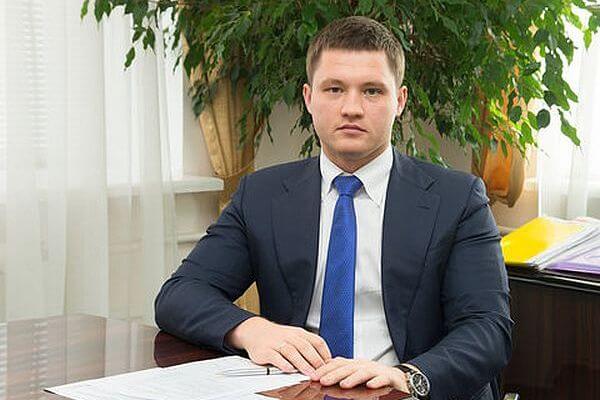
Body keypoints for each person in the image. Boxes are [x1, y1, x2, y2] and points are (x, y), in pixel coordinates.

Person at [155, 16, 512, 400]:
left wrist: (405, 377)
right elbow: (180, 294)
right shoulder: (262, 195)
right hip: (300, 390)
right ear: (309, 98)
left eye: (372, 91)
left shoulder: (457, 199)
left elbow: (487, 328)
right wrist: (253, 330)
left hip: (403, 390)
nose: (351, 108)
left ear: (400, 101)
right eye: (334, 89)